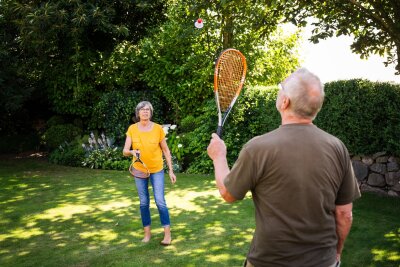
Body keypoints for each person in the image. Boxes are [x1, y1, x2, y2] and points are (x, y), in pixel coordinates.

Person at [207, 68, 361, 267]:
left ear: (285, 102)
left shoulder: (257, 148)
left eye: (281, 90)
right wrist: (336, 253)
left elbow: (228, 194)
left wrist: (219, 157)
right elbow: (344, 214)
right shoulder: (337, 147)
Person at [123, 101, 177, 246]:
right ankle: (147, 234)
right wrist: (132, 151)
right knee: (144, 202)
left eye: (148, 109)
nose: (145, 112)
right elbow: (125, 150)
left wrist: (171, 170)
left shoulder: (158, 128)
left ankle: (167, 235)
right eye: (142, 109)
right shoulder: (132, 129)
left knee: (160, 201)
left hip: (157, 170)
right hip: (139, 170)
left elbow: (166, 150)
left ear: (150, 112)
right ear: (138, 113)